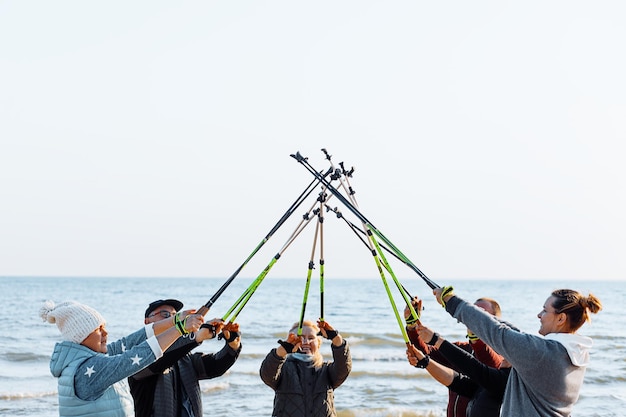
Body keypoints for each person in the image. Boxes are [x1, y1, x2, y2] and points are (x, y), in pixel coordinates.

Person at [433, 286, 602, 417]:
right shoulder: (574, 354)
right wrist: (488, 316)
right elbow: (516, 335)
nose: (539, 315)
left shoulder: (543, 354)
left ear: (561, 318)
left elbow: (497, 333)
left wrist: (451, 300)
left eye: (545, 310)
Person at [40, 300, 203, 417]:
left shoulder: (89, 359)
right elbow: (132, 357)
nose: (106, 333)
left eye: (105, 327)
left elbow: (128, 342)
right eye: (98, 329)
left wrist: (174, 320)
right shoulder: (87, 370)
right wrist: (180, 329)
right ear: (80, 336)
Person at [129, 299, 242, 417]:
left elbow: (214, 366)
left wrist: (233, 345)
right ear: (147, 322)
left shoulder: (184, 356)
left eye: (175, 316)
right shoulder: (138, 354)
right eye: (165, 314)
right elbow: (158, 361)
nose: (172, 319)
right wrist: (196, 337)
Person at [404, 295, 503, 417]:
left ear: (495, 322)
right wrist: (412, 326)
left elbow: (487, 358)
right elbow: (426, 353)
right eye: (473, 312)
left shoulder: (502, 358)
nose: (475, 317)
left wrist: (475, 337)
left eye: (481, 313)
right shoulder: (460, 349)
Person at [260, 319, 352, 417]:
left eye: (311, 338)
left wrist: (336, 338)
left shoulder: (326, 370)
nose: (306, 342)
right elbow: (267, 374)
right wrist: (282, 351)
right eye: (300, 338)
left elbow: (344, 367)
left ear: (318, 343)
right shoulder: (283, 368)